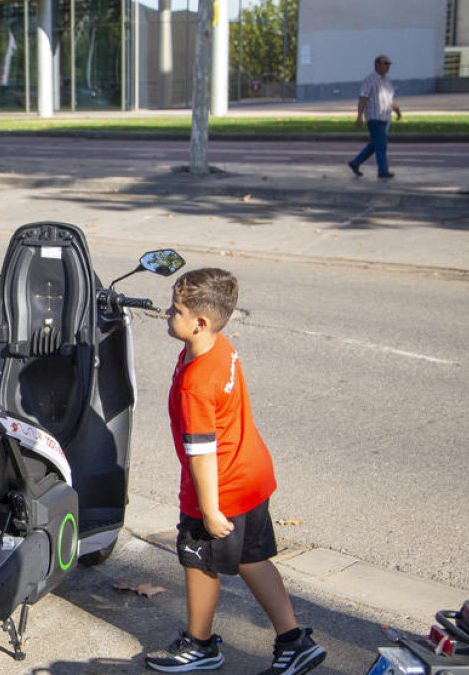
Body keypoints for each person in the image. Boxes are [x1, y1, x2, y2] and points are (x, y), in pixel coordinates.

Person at [145, 268, 326, 675]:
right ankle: (293, 640)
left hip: (219, 486)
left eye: (176, 310)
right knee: (251, 558)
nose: (167, 315)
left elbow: (203, 453)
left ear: (200, 322)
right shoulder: (217, 348)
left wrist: (208, 510)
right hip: (250, 474)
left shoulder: (197, 381)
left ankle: (200, 644)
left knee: (199, 560)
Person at [348, 54, 402, 180]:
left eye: (389, 64)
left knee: (375, 144)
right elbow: (363, 98)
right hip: (374, 118)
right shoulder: (369, 80)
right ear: (377, 64)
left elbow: (391, 98)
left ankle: (355, 163)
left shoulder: (388, 81)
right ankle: (383, 171)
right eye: (385, 64)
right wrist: (359, 116)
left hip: (385, 118)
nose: (388, 66)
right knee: (382, 144)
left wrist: (397, 110)